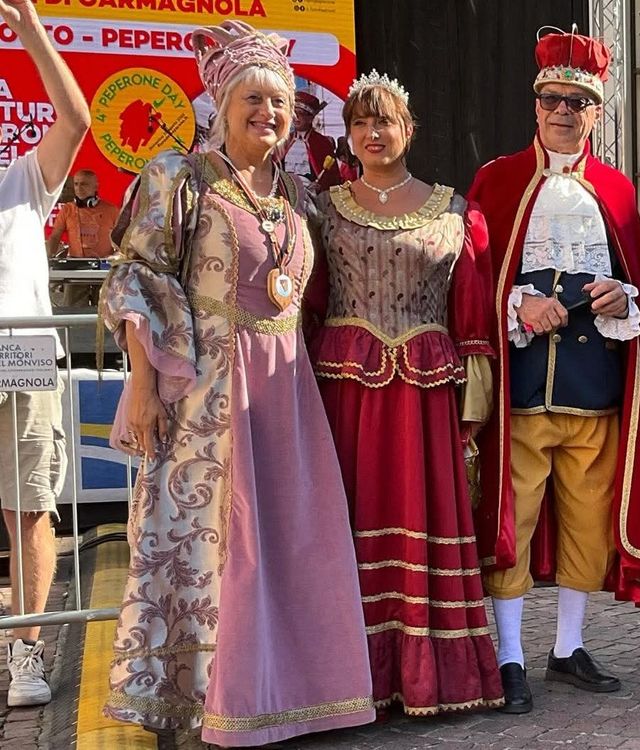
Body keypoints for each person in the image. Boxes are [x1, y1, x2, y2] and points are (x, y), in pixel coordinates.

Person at [100, 21, 374, 746]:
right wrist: (139, 383)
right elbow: (139, 277)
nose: (269, 113)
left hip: (287, 389)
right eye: (253, 98)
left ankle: (301, 699)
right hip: (210, 393)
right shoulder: (179, 177)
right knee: (220, 549)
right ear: (221, 104)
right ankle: (213, 705)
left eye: (279, 102)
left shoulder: (296, 193)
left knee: (293, 542)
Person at [468, 27, 640, 714]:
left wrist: (622, 296)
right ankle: (508, 657)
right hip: (525, 392)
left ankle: (566, 650)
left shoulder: (620, 192)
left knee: (589, 526)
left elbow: (638, 291)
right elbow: (475, 282)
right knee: (514, 522)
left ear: (596, 112)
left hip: (596, 393)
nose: (564, 111)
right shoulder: (496, 180)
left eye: (578, 102)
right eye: (552, 100)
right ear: (536, 107)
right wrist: (518, 302)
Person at [308, 70, 504, 716]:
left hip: (424, 400)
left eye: (383, 120)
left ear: (408, 129)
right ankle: (348, 683)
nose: (371, 133)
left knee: (425, 526)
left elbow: (471, 314)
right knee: (354, 527)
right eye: (360, 122)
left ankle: (427, 681)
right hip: (348, 399)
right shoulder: (323, 207)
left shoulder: (453, 209)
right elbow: (307, 307)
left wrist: (473, 410)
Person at [0, 0, 89, 708]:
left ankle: (26, 651)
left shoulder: (24, 176)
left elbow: (79, 120)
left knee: (28, 506)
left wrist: (31, 32)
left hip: (21, 352)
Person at [46, 168, 119, 306]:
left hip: (103, 269)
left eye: (84, 184)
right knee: (73, 314)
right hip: (75, 268)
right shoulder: (67, 209)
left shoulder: (111, 210)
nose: (79, 188)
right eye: (76, 184)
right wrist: (48, 258)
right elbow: (55, 236)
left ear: (96, 186)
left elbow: (123, 239)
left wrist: (116, 256)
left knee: (105, 313)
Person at [282, 90, 341, 188]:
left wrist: (320, 185)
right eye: (294, 113)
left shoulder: (322, 142)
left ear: (310, 118)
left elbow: (331, 176)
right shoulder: (285, 140)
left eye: (300, 113)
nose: (296, 117)